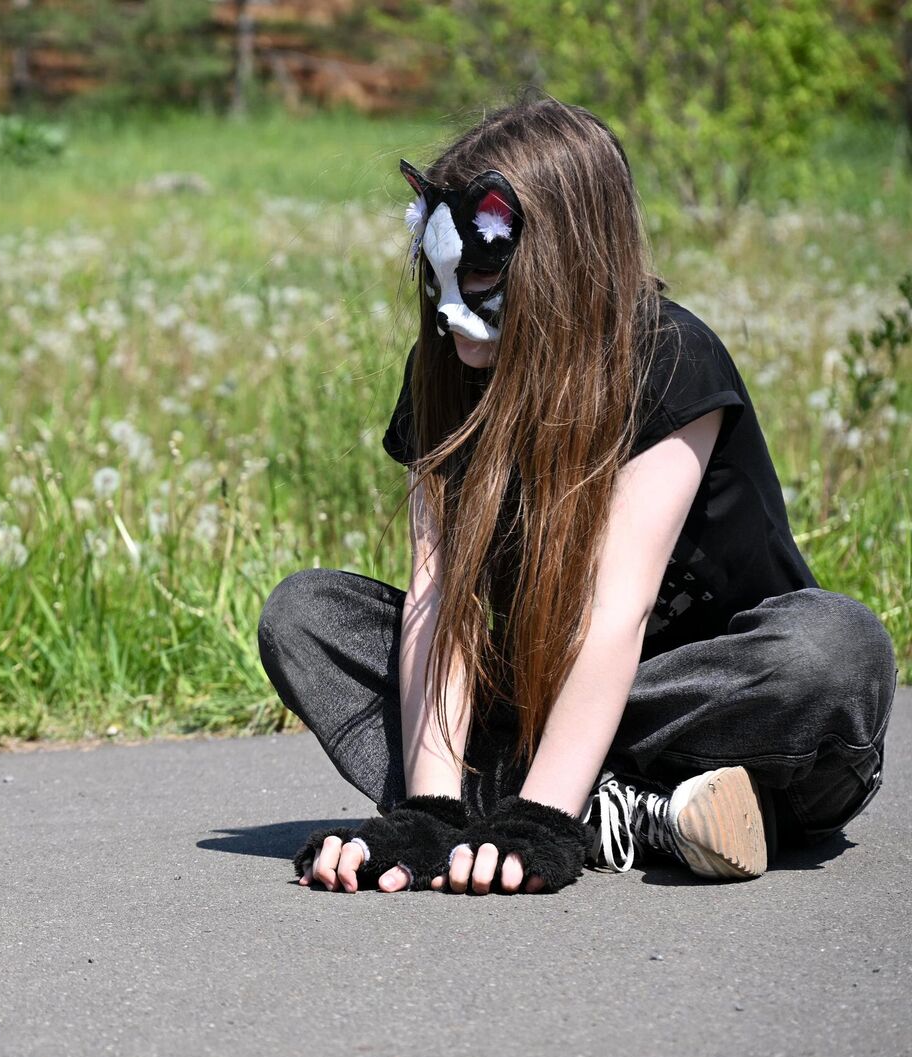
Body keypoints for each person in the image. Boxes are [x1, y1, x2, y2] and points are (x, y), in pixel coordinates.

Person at [256, 98, 898, 895]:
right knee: (306, 615)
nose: (451, 304)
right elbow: (439, 600)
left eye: (482, 275)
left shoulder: (667, 359)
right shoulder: (450, 373)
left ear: (562, 264)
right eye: (438, 273)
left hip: (727, 715)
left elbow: (613, 611)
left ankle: (560, 803)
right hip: (540, 699)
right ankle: (630, 812)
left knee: (834, 647)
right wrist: (426, 811)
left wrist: (540, 821)